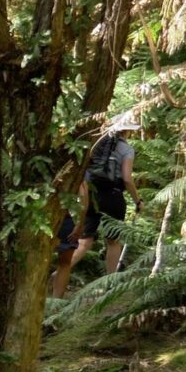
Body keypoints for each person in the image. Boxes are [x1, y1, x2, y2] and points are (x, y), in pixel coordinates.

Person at [54, 120, 145, 297]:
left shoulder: (97, 144)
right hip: (113, 195)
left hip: (91, 194)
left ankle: (58, 275)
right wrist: (138, 200)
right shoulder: (126, 149)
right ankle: (109, 285)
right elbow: (127, 178)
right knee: (113, 241)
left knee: (84, 241)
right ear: (127, 131)